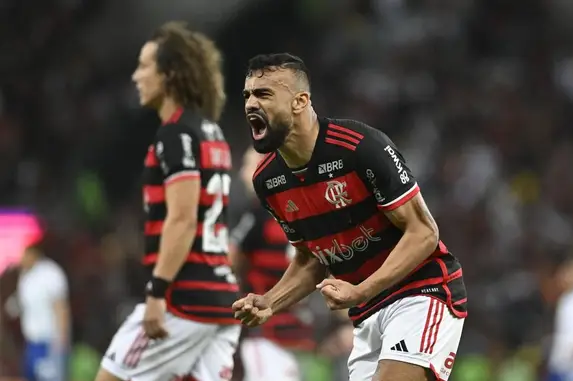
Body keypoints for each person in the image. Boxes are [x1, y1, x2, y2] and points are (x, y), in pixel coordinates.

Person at [232, 53, 468, 381]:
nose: (250, 104)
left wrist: (361, 290)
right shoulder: (268, 180)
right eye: (247, 95)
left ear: (300, 101)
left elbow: (424, 233)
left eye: (264, 94)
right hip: (367, 311)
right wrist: (270, 301)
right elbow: (310, 259)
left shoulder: (359, 147)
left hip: (421, 290)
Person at [96, 22, 240, 381]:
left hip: (183, 300)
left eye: (145, 66)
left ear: (170, 74)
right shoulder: (213, 134)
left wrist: (158, 292)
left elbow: (182, 218)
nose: (136, 76)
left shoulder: (175, 135)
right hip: (220, 300)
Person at [231, 147, 353, 381]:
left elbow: (229, 264)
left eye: (248, 166)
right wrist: (350, 324)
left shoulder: (258, 218)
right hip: (305, 341)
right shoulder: (310, 218)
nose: (242, 174)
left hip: (267, 339)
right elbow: (336, 274)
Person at [15, 242, 70, 381]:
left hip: (50, 341)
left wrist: (61, 341)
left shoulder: (51, 274)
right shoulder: (25, 276)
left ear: (33, 253)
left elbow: (61, 307)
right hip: (32, 341)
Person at [547, 254, 573, 381]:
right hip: (565, 364)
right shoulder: (567, 299)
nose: (562, 277)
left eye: (566, 273)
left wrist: (565, 360)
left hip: (572, 366)